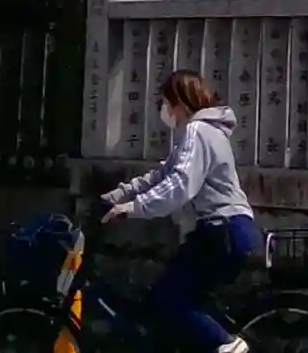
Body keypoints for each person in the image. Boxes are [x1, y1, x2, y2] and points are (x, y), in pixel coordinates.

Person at [102, 70, 259, 353]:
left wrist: (133, 208)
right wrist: (115, 196)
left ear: (180, 102)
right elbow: (161, 175)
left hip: (222, 231)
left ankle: (228, 345)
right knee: (172, 303)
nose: (164, 111)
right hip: (227, 230)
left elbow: (179, 183)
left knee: (169, 299)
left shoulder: (198, 131)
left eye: (165, 103)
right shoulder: (203, 132)